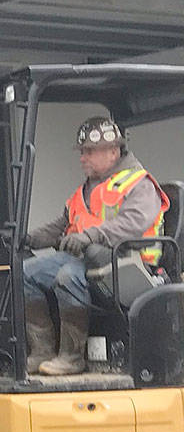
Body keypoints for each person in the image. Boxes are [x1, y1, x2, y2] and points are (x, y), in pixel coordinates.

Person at [22, 116, 169, 376]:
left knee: (68, 276)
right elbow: (61, 224)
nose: (82, 158)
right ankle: (42, 351)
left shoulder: (139, 185)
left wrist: (90, 236)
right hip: (90, 259)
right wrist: (28, 238)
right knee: (26, 273)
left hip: (129, 264)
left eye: (89, 151)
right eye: (82, 152)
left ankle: (71, 357)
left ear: (113, 151)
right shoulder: (85, 190)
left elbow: (132, 223)